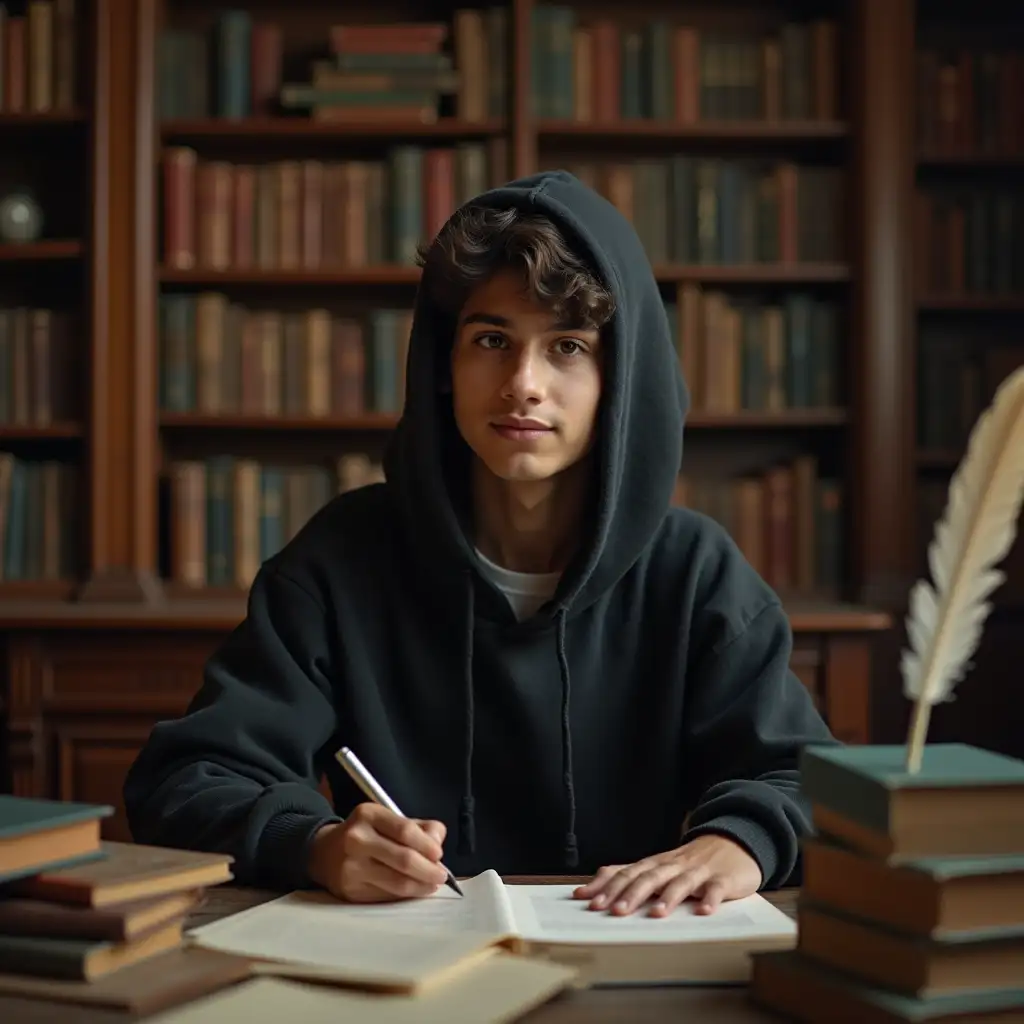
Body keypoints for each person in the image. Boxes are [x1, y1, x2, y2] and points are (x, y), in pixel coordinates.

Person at [123, 170, 836, 919]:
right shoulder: (340, 561)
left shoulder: (696, 573)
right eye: (492, 339)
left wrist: (742, 841)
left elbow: (810, 781)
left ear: (620, 380)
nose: (523, 383)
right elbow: (187, 779)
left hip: (631, 955)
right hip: (402, 966)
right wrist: (317, 843)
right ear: (443, 366)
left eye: (567, 346)